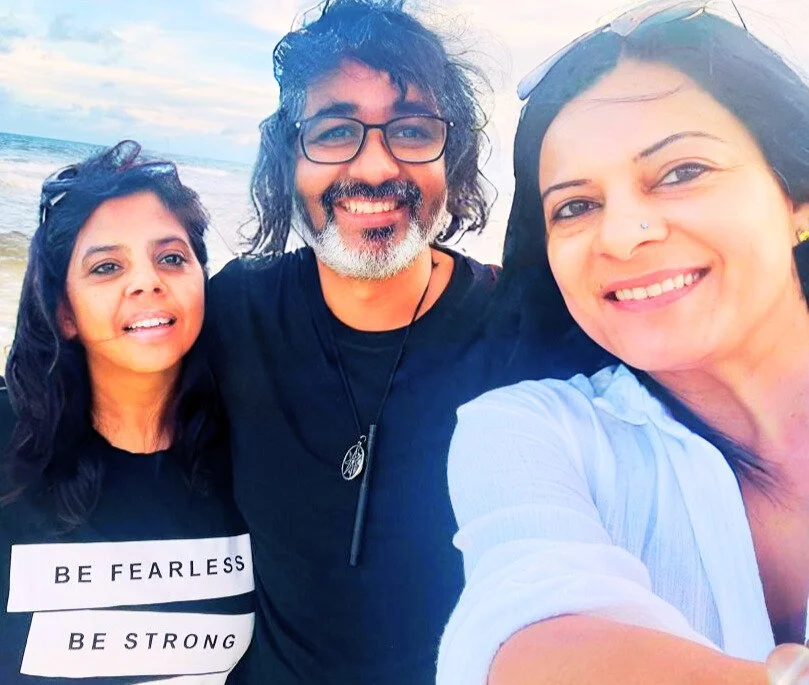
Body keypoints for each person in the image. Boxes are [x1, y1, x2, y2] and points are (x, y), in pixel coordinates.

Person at [204, 1, 581, 683]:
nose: (375, 166)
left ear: (452, 159)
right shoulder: (237, 313)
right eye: (334, 131)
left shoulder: (527, 335)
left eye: (410, 130)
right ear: (288, 159)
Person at [436, 2, 809, 684]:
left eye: (681, 171)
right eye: (575, 206)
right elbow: (524, 634)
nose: (621, 235)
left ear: (796, 198)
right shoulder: (530, 429)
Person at [0, 141, 254, 684]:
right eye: (107, 266)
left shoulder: (258, 457)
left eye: (172, 258)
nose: (146, 281)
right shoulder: (8, 446)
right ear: (65, 312)